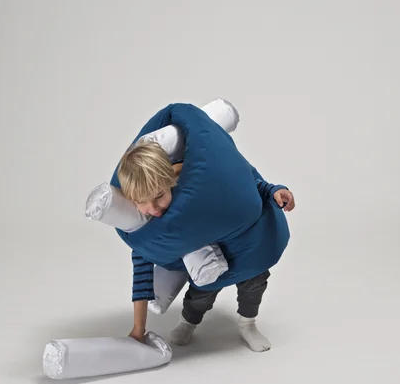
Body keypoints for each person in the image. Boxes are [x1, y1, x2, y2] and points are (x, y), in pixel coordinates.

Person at [117, 141, 295, 352]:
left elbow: (243, 184)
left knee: (254, 285)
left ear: (171, 181)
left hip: (243, 248)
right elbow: (142, 276)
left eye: (159, 196)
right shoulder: (147, 229)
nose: (153, 207)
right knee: (200, 296)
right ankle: (188, 322)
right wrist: (138, 328)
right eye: (141, 202)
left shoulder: (195, 181)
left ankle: (248, 324)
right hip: (207, 264)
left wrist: (273, 190)